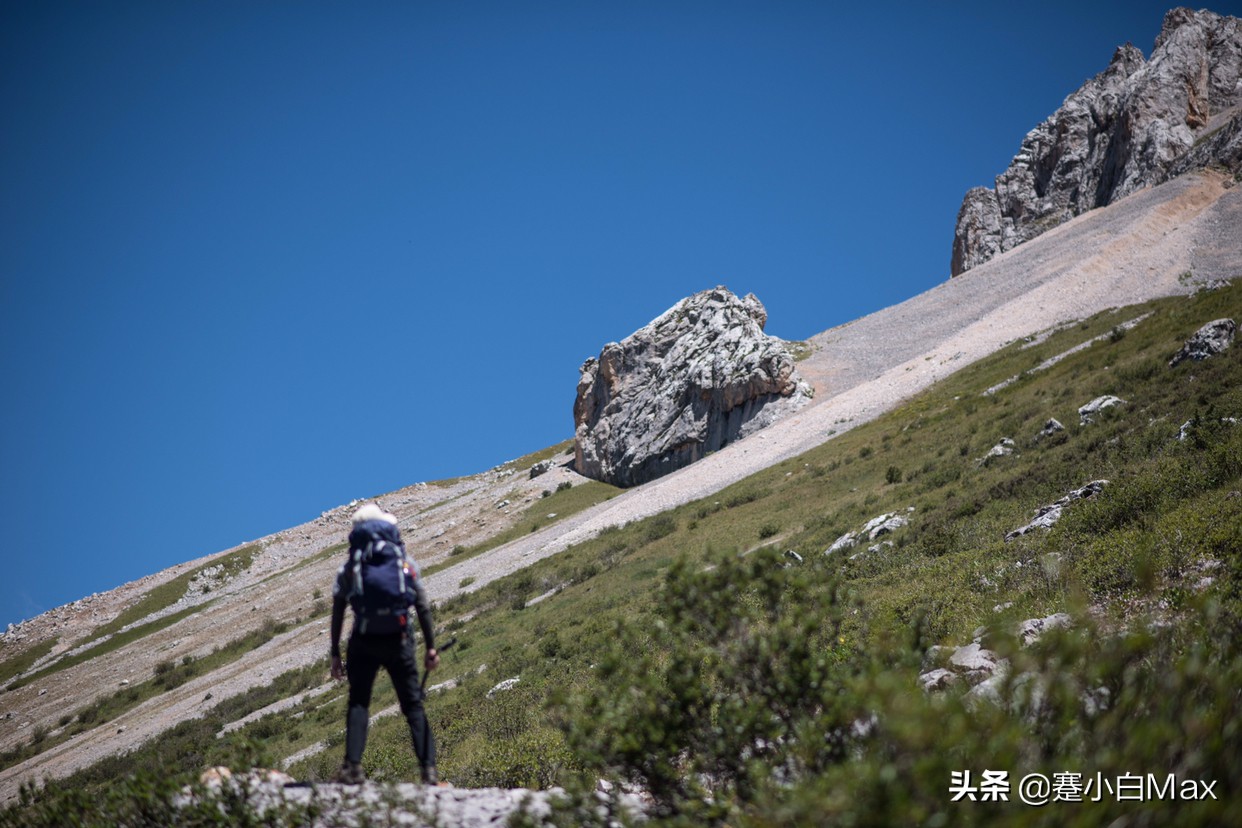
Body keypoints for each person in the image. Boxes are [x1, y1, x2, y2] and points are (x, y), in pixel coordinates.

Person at [329, 503, 440, 784]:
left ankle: (353, 767)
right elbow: (422, 606)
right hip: (399, 639)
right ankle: (428, 771)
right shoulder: (404, 562)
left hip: (363, 640)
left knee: (359, 702)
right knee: (413, 706)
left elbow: (339, 610)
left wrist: (334, 654)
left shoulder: (351, 566)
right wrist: (430, 647)